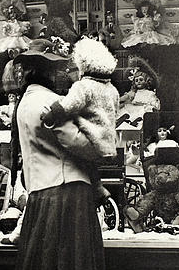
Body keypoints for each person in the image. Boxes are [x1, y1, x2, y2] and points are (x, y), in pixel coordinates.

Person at [8, 38, 109, 270]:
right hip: (66, 181)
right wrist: (101, 146)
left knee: (46, 250)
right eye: (60, 70)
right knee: (69, 251)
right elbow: (75, 141)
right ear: (49, 73)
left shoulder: (25, 101)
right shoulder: (49, 103)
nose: (65, 75)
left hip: (41, 182)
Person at [39, 37, 120, 203]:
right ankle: (97, 187)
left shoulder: (83, 86)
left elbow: (69, 105)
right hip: (107, 144)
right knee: (91, 166)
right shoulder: (112, 89)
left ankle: (93, 190)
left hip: (90, 140)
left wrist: (52, 113)